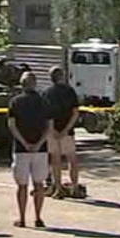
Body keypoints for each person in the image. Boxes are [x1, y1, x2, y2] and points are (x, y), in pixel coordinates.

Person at [7, 71, 51, 228]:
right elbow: (49, 127)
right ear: (35, 84)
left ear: (21, 84)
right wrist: (39, 143)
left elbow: (12, 125)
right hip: (41, 150)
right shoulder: (44, 102)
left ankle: (22, 218)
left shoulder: (15, 102)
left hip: (21, 150)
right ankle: (38, 217)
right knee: (39, 184)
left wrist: (24, 143)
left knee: (22, 186)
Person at [44, 65, 80, 197]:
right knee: (72, 159)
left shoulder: (47, 92)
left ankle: (58, 188)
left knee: (55, 160)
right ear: (62, 76)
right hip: (67, 131)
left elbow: (47, 114)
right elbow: (75, 113)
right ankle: (75, 187)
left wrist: (53, 130)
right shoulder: (70, 91)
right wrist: (66, 129)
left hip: (52, 132)